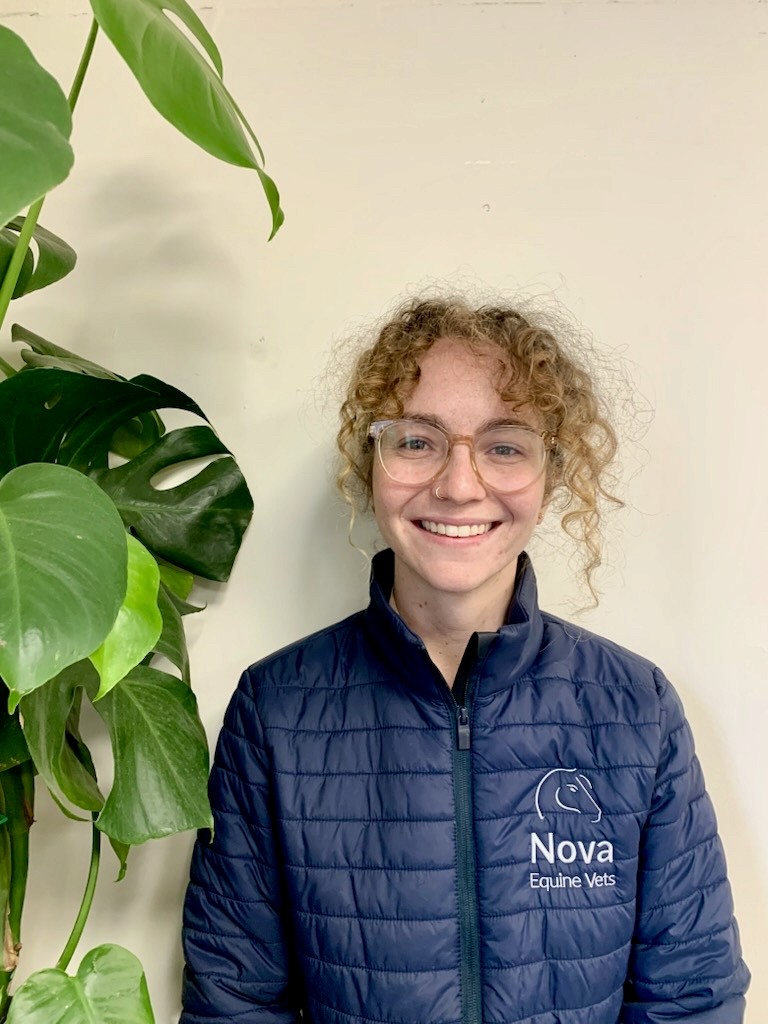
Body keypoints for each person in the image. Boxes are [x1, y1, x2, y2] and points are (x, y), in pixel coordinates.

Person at [180, 297, 749, 1024]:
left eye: (505, 445)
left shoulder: (636, 709)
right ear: (372, 463)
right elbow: (234, 1003)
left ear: (550, 477)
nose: (458, 483)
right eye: (418, 441)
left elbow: (691, 998)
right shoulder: (275, 709)